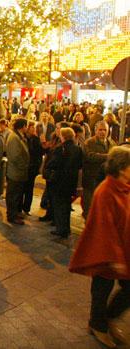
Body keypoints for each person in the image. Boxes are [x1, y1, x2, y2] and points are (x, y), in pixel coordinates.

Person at [69, 146, 130, 348]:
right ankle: (98, 326)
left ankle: (105, 320)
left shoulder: (124, 187)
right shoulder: (105, 191)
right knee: (101, 291)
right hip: (106, 254)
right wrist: (116, 259)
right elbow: (105, 228)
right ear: (122, 168)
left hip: (123, 251)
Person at [45, 127, 82, 238]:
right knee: (66, 205)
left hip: (59, 181)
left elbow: (53, 163)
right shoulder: (77, 149)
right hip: (71, 182)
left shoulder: (60, 149)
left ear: (63, 137)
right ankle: (67, 228)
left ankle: (61, 229)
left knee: (59, 206)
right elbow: (80, 165)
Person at [82, 121, 115, 218]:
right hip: (91, 178)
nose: (103, 132)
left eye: (105, 130)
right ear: (95, 130)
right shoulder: (89, 142)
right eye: (100, 130)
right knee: (89, 205)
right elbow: (90, 156)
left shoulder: (111, 143)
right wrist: (108, 156)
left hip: (105, 179)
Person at [5, 118, 30, 225]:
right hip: (15, 172)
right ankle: (12, 215)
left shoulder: (18, 136)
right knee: (13, 195)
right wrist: (23, 165)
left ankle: (14, 213)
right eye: (26, 126)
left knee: (16, 194)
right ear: (23, 126)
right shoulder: (14, 137)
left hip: (18, 171)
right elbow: (15, 156)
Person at [22, 120, 44, 215]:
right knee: (22, 188)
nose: (33, 129)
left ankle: (26, 208)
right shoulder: (23, 138)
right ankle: (19, 208)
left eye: (34, 128)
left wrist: (43, 145)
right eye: (32, 127)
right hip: (24, 166)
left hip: (32, 167)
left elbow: (40, 152)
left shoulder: (35, 139)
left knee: (29, 189)